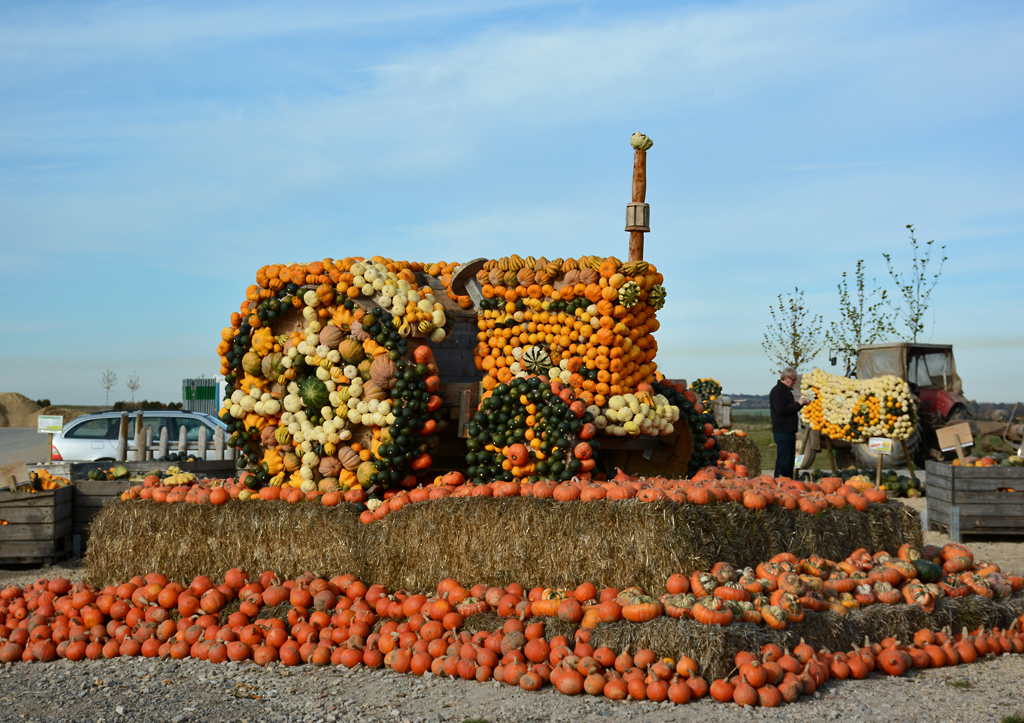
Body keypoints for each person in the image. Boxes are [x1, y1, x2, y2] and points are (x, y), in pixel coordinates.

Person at [770, 367, 809, 479]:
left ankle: (788, 481)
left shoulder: (786, 392)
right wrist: (798, 404)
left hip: (789, 431)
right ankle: (780, 482)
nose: (794, 382)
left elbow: (790, 409)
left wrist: (801, 404)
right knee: (784, 461)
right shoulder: (777, 391)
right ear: (786, 378)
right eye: (793, 380)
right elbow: (781, 410)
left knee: (790, 461)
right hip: (782, 431)